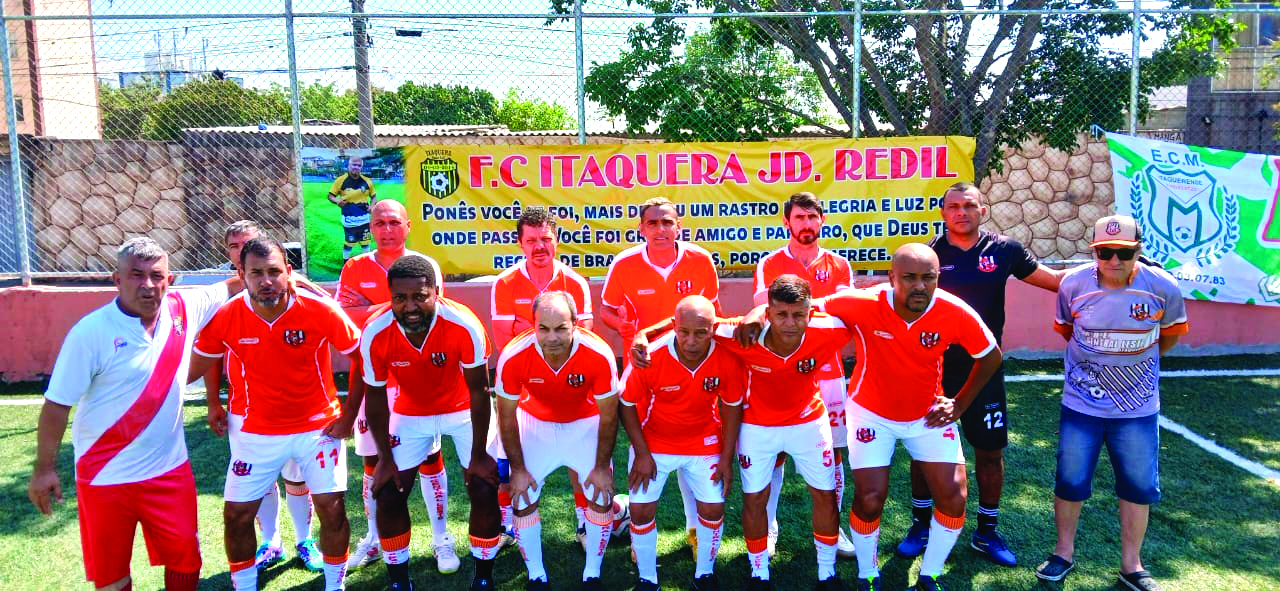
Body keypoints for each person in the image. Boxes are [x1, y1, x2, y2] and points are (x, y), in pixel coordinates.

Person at [28, 237, 239, 591]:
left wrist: (290, 278)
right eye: (136, 275)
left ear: (170, 280)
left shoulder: (185, 307)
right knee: (112, 576)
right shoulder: (90, 333)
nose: (148, 285)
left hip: (169, 471)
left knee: (187, 561)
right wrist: (44, 468)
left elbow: (233, 285)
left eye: (157, 276)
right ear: (117, 280)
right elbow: (57, 405)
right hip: (104, 476)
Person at [632, 276, 850, 590]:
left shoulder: (831, 329)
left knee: (825, 496)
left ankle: (827, 573)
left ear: (811, 312)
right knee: (755, 499)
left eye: (798, 315)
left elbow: (868, 314)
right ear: (769, 313)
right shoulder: (741, 332)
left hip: (808, 423)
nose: (790, 323)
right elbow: (693, 321)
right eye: (781, 314)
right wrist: (643, 333)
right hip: (756, 427)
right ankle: (759, 574)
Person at [897, 182, 1063, 567]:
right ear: (943, 213)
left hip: (984, 368)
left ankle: (986, 532)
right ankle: (920, 525)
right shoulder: (930, 255)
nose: (961, 212)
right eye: (953, 206)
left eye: (969, 205)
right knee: (924, 452)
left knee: (990, 452)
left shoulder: (1004, 250)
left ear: (982, 211)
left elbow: (1056, 281)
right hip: (934, 369)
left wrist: (1107, 270)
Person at [190, 236, 360, 591]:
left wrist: (348, 417)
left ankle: (335, 585)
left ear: (289, 272)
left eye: (274, 272)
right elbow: (191, 368)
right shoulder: (227, 315)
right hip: (254, 432)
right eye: (256, 273)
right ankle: (246, 585)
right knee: (237, 515)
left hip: (318, 430)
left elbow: (363, 358)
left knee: (332, 508)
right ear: (242, 275)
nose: (266, 281)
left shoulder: (319, 310)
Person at [1035, 215, 1187, 591]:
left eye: (1123, 252)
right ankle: (1063, 553)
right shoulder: (1072, 284)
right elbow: (1068, 330)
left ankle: (1132, 566)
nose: (1114, 261)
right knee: (1070, 480)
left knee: (1137, 486)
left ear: (1138, 251)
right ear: (1094, 252)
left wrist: (1137, 364)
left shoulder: (1163, 287)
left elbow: (1169, 336)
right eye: (1105, 252)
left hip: (1138, 409)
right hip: (1081, 405)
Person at [361, 255, 502, 591]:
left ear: (436, 292)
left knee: (483, 486)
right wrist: (384, 458)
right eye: (400, 298)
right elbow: (375, 399)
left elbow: (480, 392)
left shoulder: (464, 323)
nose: (410, 306)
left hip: (463, 410)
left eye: (420, 296)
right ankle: (399, 583)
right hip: (411, 413)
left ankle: (483, 578)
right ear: (390, 296)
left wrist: (479, 455)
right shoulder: (375, 330)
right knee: (388, 491)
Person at [333, 200, 454, 573]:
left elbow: (430, 320)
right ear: (370, 228)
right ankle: (374, 538)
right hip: (371, 378)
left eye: (394, 222)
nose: (387, 230)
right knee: (373, 461)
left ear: (408, 226)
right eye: (380, 223)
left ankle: (441, 539)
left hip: (416, 377)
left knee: (430, 458)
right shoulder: (355, 267)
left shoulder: (425, 265)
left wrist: (373, 308)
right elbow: (347, 322)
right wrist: (393, 309)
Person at [204, 220, 325, 571]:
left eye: (248, 243)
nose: (241, 250)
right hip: (246, 411)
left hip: (296, 409)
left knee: (297, 477)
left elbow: (327, 318)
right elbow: (210, 354)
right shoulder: (220, 298)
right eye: (234, 246)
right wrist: (213, 401)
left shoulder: (292, 287)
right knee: (260, 480)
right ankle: (271, 542)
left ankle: (305, 540)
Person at [601, 196, 719, 550]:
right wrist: (624, 327)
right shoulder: (624, 264)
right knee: (642, 447)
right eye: (652, 223)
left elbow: (712, 310)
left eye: (667, 222)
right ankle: (640, 535)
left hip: (691, 366)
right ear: (641, 229)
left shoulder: (700, 260)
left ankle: (695, 530)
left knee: (692, 451)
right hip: (644, 368)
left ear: (678, 226)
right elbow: (606, 310)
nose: (660, 229)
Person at [753, 191, 856, 558]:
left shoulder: (839, 265)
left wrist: (814, 309)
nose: (807, 224)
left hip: (828, 372)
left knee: (835, 452)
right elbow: (765, 312)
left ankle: (833, 528)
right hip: (782, 373)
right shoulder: (770, 264)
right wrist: (822, 308)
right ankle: (768, 529)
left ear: (822, 221)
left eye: (813, 217)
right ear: (787, 222)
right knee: (775, 455)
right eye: (799, 217)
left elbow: (847, 315)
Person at [495, 292, 620, 590]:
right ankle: (536, 575)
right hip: (535, 424)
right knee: (522, 497)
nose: (552, 337)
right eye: (544, 328)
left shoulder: (598, 353)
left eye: (561, 328)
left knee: (601, 496)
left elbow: (609, 417)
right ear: (533, 325)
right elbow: (506, 417)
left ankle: (592, 573)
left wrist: (601, 467)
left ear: (575, 324)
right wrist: (518, 469)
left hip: (584, 424)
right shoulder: (513, 354)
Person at [620, 295, 744, 591]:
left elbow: (732, 406)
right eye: (684, 331)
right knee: (640, 511)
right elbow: (626, 403)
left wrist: (726, 459)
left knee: (713, 509)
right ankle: (647, 579)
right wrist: (642, 454)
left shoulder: (726, 357)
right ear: (673, 326)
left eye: (701, 333)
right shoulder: (650, 355)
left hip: (704, 441)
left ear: (713, 329)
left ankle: (705, 574)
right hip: (654, 443)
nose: (691, 341)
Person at [489, 207, 595, 546]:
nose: (539, 247)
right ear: (520, 243)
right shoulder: (504, 283)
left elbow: (582, 341)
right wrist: (551, 338)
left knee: (580, 463)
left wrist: (526, 329)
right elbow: (505, 344)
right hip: (522, 391)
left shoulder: (575, 283)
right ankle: (507, 525)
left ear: (556, 241)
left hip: (571, 388)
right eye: (531, 240)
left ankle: (584, 523)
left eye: (545, 239)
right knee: (508, 459)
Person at [328, 155, 377, 260]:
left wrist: (372, 207)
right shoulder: (341, 180)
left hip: (364, 219)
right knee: (349, 243)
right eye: (354, 165)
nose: (356, 167)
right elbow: (330, 196)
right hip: (349, 219)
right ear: (349, 165)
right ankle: (345, 263)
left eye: (359, 165)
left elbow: (373, 197)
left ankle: (367, 263)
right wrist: (337, 201)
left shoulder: (367, 181)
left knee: (366, 243)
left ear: (361, 167)